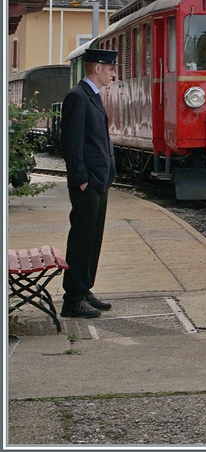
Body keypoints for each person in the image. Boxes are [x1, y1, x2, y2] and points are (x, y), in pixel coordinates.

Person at [58, 45, 118, 319]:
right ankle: (72, 300)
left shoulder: (91, 96)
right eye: (110, 69)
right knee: (82, 239)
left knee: (93, 239)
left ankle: (83, 289)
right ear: (97, 68)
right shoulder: (78, 97)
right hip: (88, 183)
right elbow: (71, 143)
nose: (112, 74)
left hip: (99, 181)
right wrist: (81, 179)